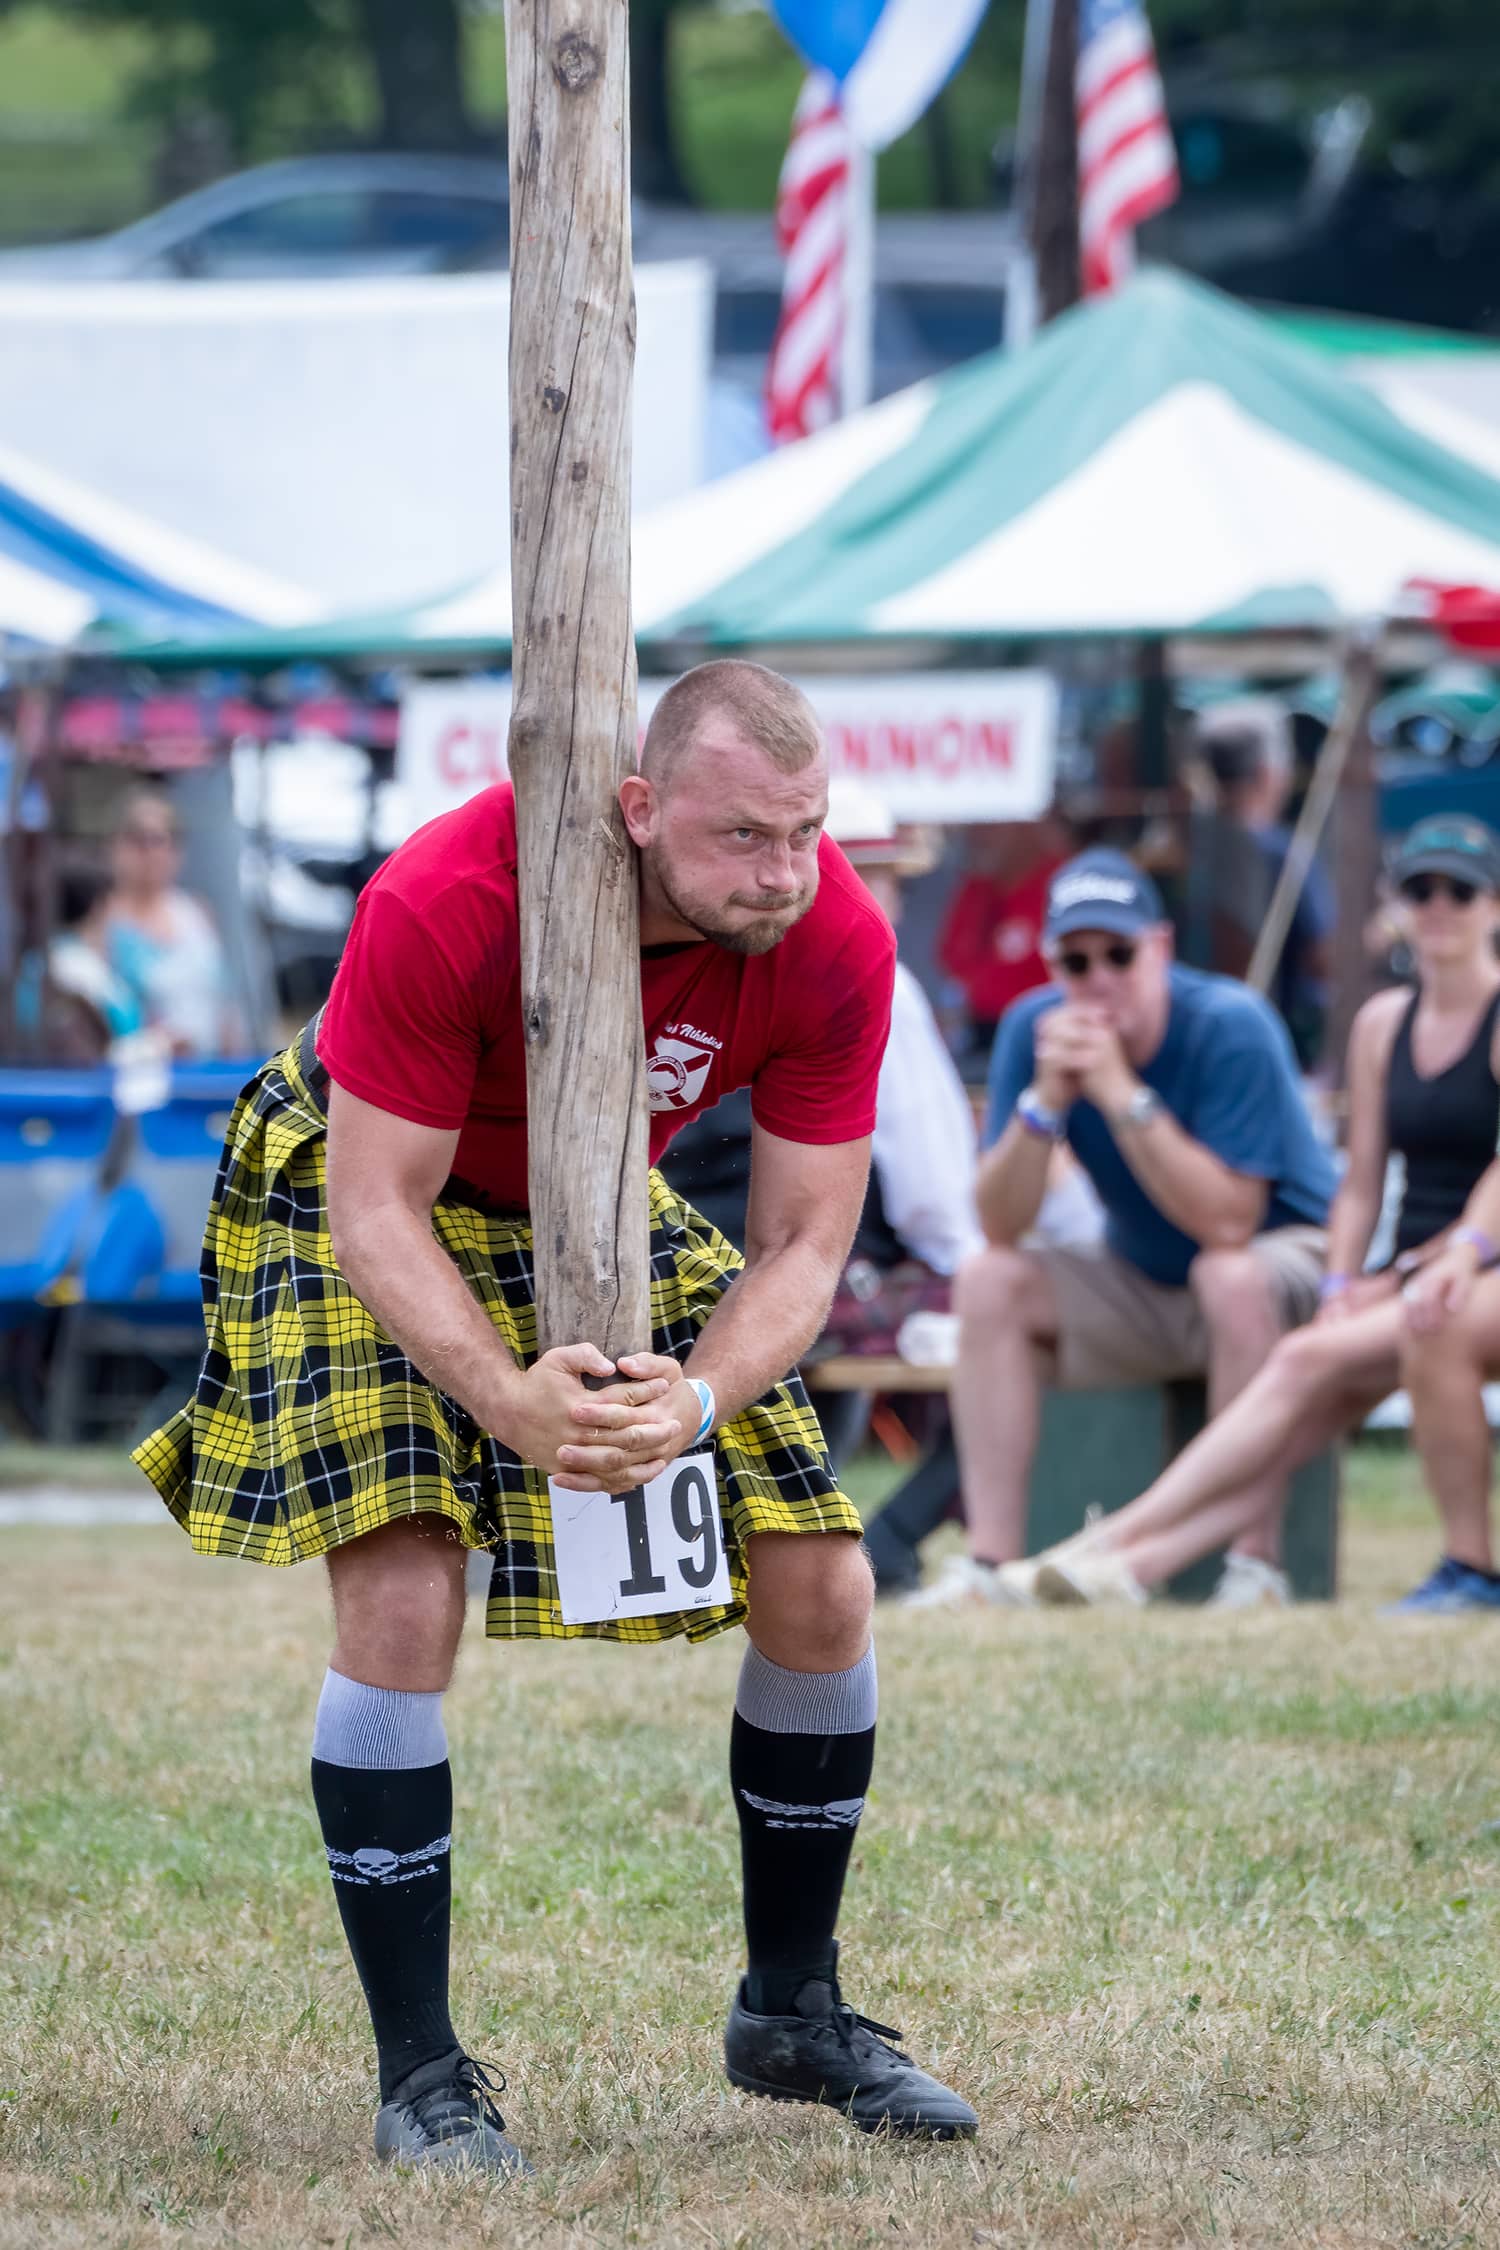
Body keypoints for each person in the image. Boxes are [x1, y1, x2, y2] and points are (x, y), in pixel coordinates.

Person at [134, 660, 977, 2173]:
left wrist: (701, 1392)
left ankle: (791, 2004)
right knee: (403, 1589)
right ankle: (422, 2076)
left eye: (806, 830)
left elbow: (801, 1243)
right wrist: (504, 1399)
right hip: (368, 1177)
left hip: (587, 1199)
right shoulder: (449, 894)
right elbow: (376, 1206)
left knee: (820, 1575)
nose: (783, 874)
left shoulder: (832, 933)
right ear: (641, 810)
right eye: (742, 840)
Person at [1009, 816, 1500, 1609]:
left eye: (1459, 891)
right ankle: (1126, 1567)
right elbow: (1364, 1182)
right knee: (1301, 1413)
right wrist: (1346, 1277)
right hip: (1413, 1274)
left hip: (1468, 1265)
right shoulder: (1382, 1024)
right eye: (1420, 889)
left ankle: (1114, 1539)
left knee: (1303, 1363)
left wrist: (1426, 1266)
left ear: (1494, 906)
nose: (1438, 906)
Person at [908, 846, 1336, 1612]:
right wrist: (1044, 1104)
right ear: (1051, 966)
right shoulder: (1031, 1028)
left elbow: (1230, 1222)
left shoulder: (1230, 1023)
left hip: (1291, 1277)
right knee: (988, 1281)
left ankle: (1255, 1569)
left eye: (1120, 953)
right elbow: (999, 1226)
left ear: (1161, 949)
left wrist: (1120, 1093)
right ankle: (989, 1567)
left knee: (1226, 1275)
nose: (1099, 978)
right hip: (1147, 1277)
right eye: (1076, 961)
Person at [1186, 701, 1333, 1064]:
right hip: (1264, 1038)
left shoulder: (1183, 842)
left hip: (1192, 1033)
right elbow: (1323, 956)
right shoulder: (1281, 850)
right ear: (1269, 773)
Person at [101, 787, 237, 1057]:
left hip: (208, 1075)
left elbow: (224, 1004)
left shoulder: (197, 912)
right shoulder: (103, 922)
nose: (152, 853)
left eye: (162, 840)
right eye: (140, 841)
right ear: (116, 846)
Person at [936, 817, 1071, 1070]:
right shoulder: (977, 888)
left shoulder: (1059, 885)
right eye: (977, 825)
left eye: (993, 824)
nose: (979, 836)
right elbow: (952, 958)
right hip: (979, 1036)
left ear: (1026, 827)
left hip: (1045, 1036)